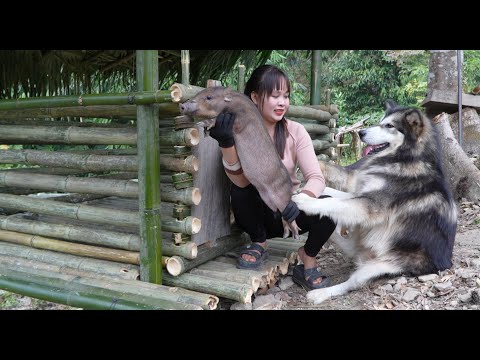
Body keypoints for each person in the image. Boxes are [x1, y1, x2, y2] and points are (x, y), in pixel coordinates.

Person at [209, 64, 336, 290]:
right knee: (241, 189)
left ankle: (307, 257)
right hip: (258, 215)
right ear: (255, 97)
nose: (282, 103)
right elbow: (239, 182)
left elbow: (316, 177)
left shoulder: (295, 132)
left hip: (291, 214)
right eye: (275, 96)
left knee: (331, 208)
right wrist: (226, 143)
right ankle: (259, 242)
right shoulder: (236, 130)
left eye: (286, 96)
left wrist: (299, 202)